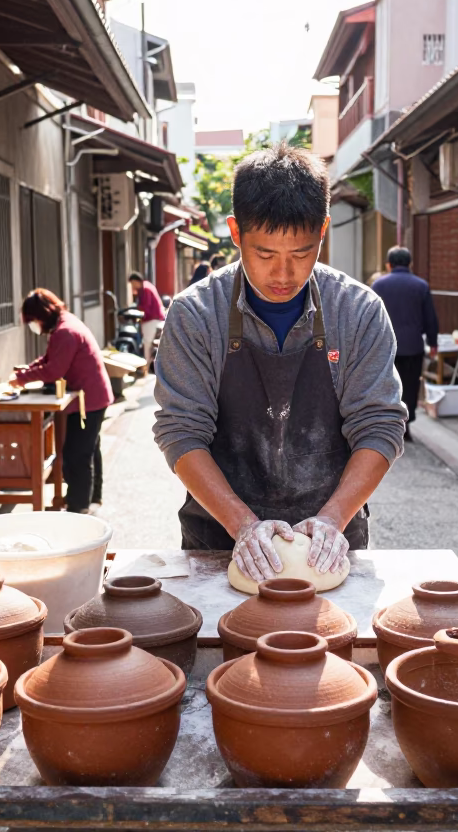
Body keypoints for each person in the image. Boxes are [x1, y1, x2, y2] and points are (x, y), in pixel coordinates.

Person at [153, 142, 406, 584]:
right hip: (218, 539)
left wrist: (331, 520)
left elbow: (380, 426)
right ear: (235, 232)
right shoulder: (196, 314)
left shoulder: (358, 311)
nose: (284, 275)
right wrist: (242, 525)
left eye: (302, 253)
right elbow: (181, 431)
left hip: (329, 543)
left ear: (323, 230)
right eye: (266, 255)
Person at [10, 289, 114, 513]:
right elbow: (49, 360)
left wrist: (21, 379)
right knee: (89, 449)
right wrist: (27, 370)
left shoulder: (65, 331)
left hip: (90, 399)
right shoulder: (65, 324)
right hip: (93, 396)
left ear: (42, 314)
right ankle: (91, 499)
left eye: (33, 319)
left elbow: (52, 371)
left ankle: (79, 508)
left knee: (76, 454)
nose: (34, 325)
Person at [372, 247, 439, 442]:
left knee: (386, 386)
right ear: (410, 264)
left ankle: (386, 426)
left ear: (389, 265)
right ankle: (405, 427)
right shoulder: (421, 286)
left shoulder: (378, 285)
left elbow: (370, 318)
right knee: (409, 386)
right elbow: (430, 319)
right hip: (413, 347)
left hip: (384, 348)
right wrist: (433, 342)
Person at [128, 271, 166, 362]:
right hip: (154, 318)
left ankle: (146, 365)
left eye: (133, 283)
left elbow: (146, 308)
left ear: (137, 281)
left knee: (148, 344)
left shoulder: (146, 289)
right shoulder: (146, 286)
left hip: (152, 319)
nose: (133, 286)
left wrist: (137, 310)